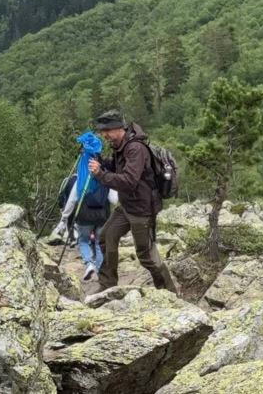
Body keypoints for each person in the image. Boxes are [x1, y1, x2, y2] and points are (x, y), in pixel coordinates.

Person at [88, 110, 178, 294]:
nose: (104, 136)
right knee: (106, 237)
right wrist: (100, 160)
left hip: (142, 210)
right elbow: (117, 167)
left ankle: (168, 292)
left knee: (146, 255)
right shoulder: (121, 145)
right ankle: (107, 285)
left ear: (118, 128)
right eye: (102, 132)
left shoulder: (135, 148)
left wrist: (100, 174)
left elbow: (129, 181)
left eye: (107, 131)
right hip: (127, 207)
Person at [52, 132, 117, 280]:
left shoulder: (80, 179)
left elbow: (72, 201)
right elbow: (114, 199)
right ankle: (101, 271)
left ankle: (89, 264)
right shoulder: (104, 174)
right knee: (100, 242)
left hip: (84, 215)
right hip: (102, 215)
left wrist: (64, 218)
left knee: (83, 240)